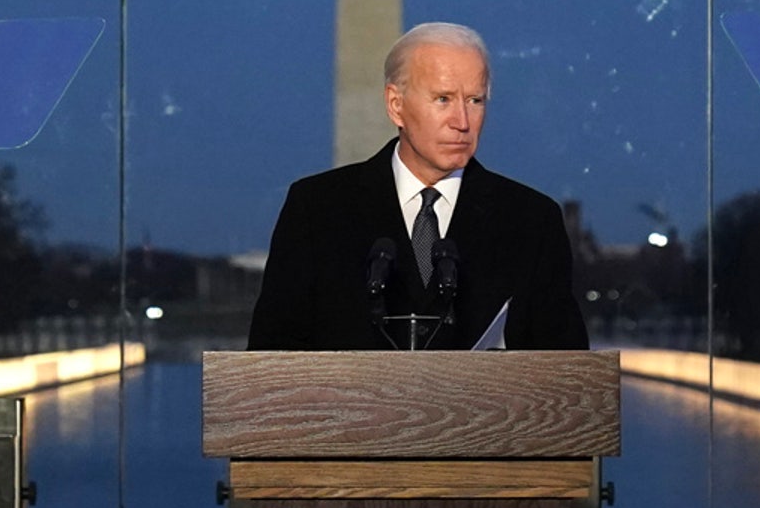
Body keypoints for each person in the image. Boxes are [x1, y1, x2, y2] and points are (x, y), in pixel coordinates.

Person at [248, 22, 588, 350]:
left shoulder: (532, 221)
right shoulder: (316, 210)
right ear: (396, 105)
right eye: (443, 99)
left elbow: (569, 377)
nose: (462, 122)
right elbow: (270, 360)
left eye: (475, 100)